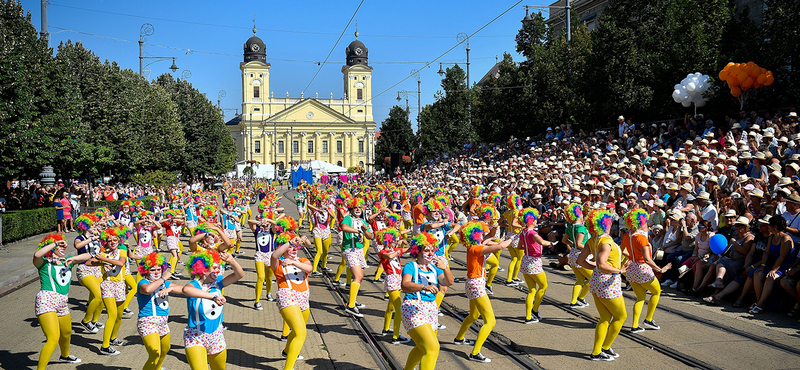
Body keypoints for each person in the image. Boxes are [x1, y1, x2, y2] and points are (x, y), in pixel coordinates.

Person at [453, 221, 512, 363]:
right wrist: (511, 238)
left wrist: (495, 230)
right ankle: (475, 352)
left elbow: (490, 239)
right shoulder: (476, 248)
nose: (482, 234)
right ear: (475, 235)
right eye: (480, 233)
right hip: (476, 285)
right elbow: (501, 246)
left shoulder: (473, 245)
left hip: (473, 283)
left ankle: (459, 338)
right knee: (490, 321)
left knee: (473, 314)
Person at [181, 249, 244, 370]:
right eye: (214, 268)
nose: (218, 270)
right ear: (203, 270)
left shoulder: (218, 282)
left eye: (218, 267)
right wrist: (213, 297)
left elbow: (239, 275)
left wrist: (232, 261)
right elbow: (186, 290)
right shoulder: (193, 285)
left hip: (216, 335)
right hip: (195, 336)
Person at [34, 233, 90, 368]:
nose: (63, 247)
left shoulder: (68, 261)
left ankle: (65, 356)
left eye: (64, 244)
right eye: (60, 245)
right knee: (53, 338)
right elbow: (36, 255)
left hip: (63, 302)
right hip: (46, 300)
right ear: (51, 248)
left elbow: (88, 256)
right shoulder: (43, 263)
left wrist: (74, 258)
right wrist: (55, 243)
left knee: (66, 333)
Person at [577, 209, 627, 361]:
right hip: (607, 283)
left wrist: (595, 268)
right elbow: (601, 263)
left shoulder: (592, 240)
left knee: (605, 317)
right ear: (606, 224)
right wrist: (619, 270)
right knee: (621, 316)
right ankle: (604, 347)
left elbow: (580, 261)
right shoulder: (606, 241)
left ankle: (597, 351)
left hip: (596, 281)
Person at [401, 231, 454, 370]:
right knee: (432, 348)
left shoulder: (435, 268)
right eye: (426, 250)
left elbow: (448, 282)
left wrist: (445, 268)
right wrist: (424, 286)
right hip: (413, 308)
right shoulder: (411, 266)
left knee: (421, 348)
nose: (430, 253)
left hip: (431, 309)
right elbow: (405, 285)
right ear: (418, 250)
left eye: (432, 250)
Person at [621, 208, 670, 333]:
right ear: (640, 223)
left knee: (640, 298)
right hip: (642, 268)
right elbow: (647, 259)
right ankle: (648, 319)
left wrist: (631, 256)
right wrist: (660, 269)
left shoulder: (627, 236)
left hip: (631, 269)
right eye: (645, 222)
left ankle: (635, 325)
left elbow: (622, 250)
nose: (646, 224)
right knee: (656, 291)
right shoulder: (642, 238)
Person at [270, 232, 313, 370]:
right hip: (287, 297)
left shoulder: (303, 260)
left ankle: (287, 351)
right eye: (291, 248)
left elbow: (309, 269)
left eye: (296, 247)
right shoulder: (278, 264)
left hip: (304, 299)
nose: (294, 249)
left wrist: (294, 261)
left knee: (296, 331)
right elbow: (274, 256)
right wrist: (290, 242)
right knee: (301, 333)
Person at [87, 225, 133, 356]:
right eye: (109, 240)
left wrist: (103, 260)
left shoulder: (121, 251)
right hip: (107, 286)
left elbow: (121, 263)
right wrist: (101, 262)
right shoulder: (103, 253)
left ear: (119, 241)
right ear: (105, 242)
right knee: (112, 315)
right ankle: (105, 346)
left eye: (115, 240)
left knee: (118, 316)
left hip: (120, 286)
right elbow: (88, 263)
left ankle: (113, 338)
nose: (112, 242)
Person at [136, 252, 182, 370]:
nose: (156, 272)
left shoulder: (164, 283)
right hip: (147, 322)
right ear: (146, 271)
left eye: (158, 269)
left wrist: (170, 288)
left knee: (165, 349)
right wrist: (163, 278)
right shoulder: (143, 282)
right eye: (152, 270)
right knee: (155, 353)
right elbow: (147, 290)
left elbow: (183, 289)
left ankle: (157, 368)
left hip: (163, 322)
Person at [750, 216, 796, 314]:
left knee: (770, 277)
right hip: (776, 265)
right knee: (757, 274)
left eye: (769, 225)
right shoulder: (772, 236)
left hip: (785, 267)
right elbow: (767, 252)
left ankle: (760, 304)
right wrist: (762, 266)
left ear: (775, 227)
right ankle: (759, 302)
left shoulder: (785, 238)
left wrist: (774, 270)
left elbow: (782, 257)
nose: (768, 227)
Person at [340, 197, 374, 317]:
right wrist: (357, 232)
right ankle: (350, 306)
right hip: (350, 250)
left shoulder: (363, 221)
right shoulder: (348, 218)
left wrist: (365, 231)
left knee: (360, 277)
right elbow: (344, 227)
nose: (358, 209)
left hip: (359, 250)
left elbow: (370, 236)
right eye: (356, 207)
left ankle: (352, 301)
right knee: (358, 276)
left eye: (360, 207)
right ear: (351, 208)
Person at [517, 207, 552, 323]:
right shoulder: (532, 232)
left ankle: (528, 316)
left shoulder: (523, 232)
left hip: (525, 260)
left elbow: (519, 247)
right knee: (543, 286)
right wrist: (551, 243)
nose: (537, 221)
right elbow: (542, 242)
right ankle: (535, 310)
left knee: (531, 290)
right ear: (531, 221)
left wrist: (528, 247)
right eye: (535, 219)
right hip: (534, 262)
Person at [377, 228, 411, 343]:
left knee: (390, 307)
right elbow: (389, 256)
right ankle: (396, 336)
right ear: (387, 241)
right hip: (391, 279)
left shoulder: (395, 249)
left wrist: (417, 245)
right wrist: (398, 251)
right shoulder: (383, 252)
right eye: (394, 241)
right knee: (399, 309)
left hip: (398, 279)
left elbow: (407, 250)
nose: (396, 242)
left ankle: (386, 329)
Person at [73, 213, 106, 334]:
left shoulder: (97, 236)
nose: (94, 226)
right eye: (91, 224)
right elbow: (77, 245)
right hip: (84, 269)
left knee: (104, 295)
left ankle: (94, 320)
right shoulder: (80, 238)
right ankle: (86, 320)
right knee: (98, 295)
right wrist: (91, 239)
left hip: (97, 269)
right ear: (84, 226)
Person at [563, 203, 592, 308]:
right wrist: (591, 249)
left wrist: (573, 244)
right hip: (581, 256)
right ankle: (580, 298)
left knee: (580, 280)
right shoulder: (581, 228)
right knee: (592, 278)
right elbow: (580, 244)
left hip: (573, 255)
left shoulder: (570, 227)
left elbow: (564, 240)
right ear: (579, 215)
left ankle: (575, 301)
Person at [248, 211, 279, 310]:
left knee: (269, 278)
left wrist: (269, 220)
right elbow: (249, 221)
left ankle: (268, 293)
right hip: (259, 255)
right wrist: (259, 222)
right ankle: (257, 301)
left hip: (270, 256)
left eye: (267, 222)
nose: (266, 224)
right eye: (264, 221)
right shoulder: (257, 230)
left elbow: (276, 224)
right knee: (261, 277)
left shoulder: (271, 231)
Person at [307, 193, 334, 275]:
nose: (323, 202)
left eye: (325, 201)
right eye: (322, 201)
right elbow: (308, 205)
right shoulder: (315, 210)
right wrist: (319, 210)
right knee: (319, 251)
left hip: (326, 231)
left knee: (326, 251)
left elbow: (333, 216)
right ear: (318, 201)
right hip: (317, 231)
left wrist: (327, 209)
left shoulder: (328, 209)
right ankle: (314, 270)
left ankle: (323, 266)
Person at [502, 194, 525, 286]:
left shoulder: (507, 212)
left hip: (509, 235)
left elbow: (499, 222)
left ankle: (509, 279)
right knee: (519, 258)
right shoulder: (517, 212)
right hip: (516, 236)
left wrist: (506, 225)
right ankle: (514, 278)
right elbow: (513, 223)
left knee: (513, 258)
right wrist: (523, 227)